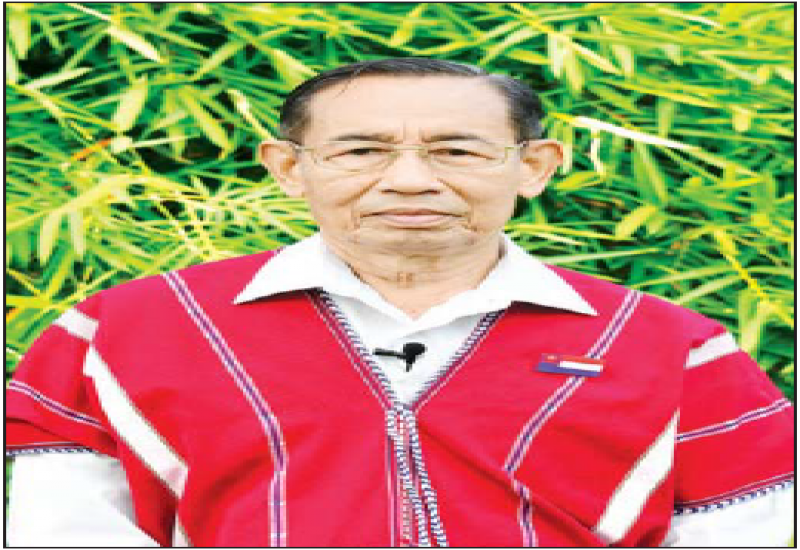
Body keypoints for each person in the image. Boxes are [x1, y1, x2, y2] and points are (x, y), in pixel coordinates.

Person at [5, 58, 794, 547]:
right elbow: (65, 533)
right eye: (361, 151)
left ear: (533, 166)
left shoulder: (672, 348)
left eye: (457, 150)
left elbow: (746, 533)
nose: (411, 180)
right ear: (289, 168)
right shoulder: (125, 331)